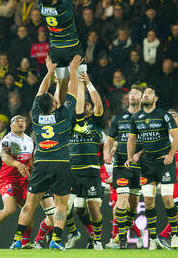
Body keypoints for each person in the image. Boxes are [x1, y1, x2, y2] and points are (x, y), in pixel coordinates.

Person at [10, 55, 82, 250]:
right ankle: (56, 241)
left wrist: (49, 72)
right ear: (53, 105)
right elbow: (73, 91)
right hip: (60, 163)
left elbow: (40, 92)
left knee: (30, 205)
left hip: (41, 163)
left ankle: (17, 240)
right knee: (61, 206)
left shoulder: (35, 115)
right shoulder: (63, 115)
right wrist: (73, 71)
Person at [127, 86, 178, 250]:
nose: (146, 95)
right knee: (148, 202)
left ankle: (175, 235)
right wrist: (130, 156)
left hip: (164, 163)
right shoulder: (136, 117)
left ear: (155, 99)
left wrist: (171, 155)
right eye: (145, 93)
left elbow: (176, 135)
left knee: (167, 199)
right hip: (147, 165)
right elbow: (132, 139)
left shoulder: (164, 114)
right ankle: (154, 239)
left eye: (150, 93)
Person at [0, 115, 34, 248]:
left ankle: (24, 242)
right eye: (17, 121)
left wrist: (32, 174)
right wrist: (18, 164)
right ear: (11, 125)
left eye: (23, 121)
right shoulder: (7, 140)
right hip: (8, 179)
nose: (21, 123)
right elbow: (5, 157)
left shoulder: (29, 140)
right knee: (10, 209)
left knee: (29, 210)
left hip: (24, 180)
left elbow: (30, 160)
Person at [104, 85, 144, 249]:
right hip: (121, 163)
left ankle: (129, 235)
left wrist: (139, 153)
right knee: (121, 202)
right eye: (131, 93)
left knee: (133, 207)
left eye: (137, 93)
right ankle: (120, 241)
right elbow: (110, 139)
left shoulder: (148, 119)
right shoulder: (118, 118)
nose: (133, 95)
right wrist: (107, 152)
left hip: (140, 166)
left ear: (142, 98)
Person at [68, 73, 104, 250]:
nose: (84, 106)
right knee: (75, 210)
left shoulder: (96, 123)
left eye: (86, 104)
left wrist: (88, 84)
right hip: (73, 172)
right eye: (82, 103)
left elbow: (98, 105)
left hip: (91, 171)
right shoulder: (70, 122)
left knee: (92, 206)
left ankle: (97, 240)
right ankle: (77, 233)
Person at [157, 109, 178, 248]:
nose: (174, 119)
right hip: (171, 176)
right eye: (171, 117)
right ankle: (164, 235)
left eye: (176, 116)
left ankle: (165, 235)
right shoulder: (164, 137)